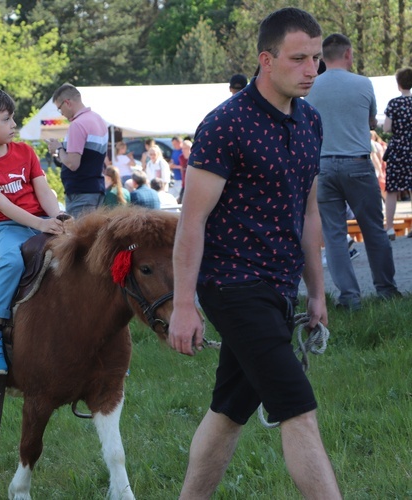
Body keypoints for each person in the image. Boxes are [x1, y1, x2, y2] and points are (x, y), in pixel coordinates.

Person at [168, 8, 341, 498]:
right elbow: (192, 221)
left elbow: (309, 214)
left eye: (316, 59)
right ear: (266, 60)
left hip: (279, 286)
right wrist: (184, 305)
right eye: (299, 59)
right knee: (297, 406)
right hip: (232, 284)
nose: (312, 70)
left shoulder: (311, 120)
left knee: (228, 410)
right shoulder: (226, 124)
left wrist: (316, 292)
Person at [0, 87, 63, 375]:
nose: (14, 124)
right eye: (6, 119)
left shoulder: (25, 152)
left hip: (41, 217)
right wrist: (40, 224)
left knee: (75, 254)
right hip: (7, 226)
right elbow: (3, 205)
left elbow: (43, 190)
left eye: (12, 118)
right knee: (13, 261)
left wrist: (57, 217)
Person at [305, 33, 400, 310]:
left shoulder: (311, 86)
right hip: (357, 163)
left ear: (322, 57)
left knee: (334, 235)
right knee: (374, 231)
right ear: (348, 54)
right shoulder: (363, 83)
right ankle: (385, 289)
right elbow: (371, 121)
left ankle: (349, 297)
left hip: (321, 167)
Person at [47, 83, 108, 217]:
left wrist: (58, 148)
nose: (61, 113)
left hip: (80, 193)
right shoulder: (98, 120)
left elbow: (72, 164)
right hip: (96, 190)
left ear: (67, 103)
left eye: (59, 108)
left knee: (79, 237)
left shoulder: (78, 124)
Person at [382, 67, 412, 238]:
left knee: (392, 189)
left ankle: (390, 227)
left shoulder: (394, 103)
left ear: (399, 84)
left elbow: (386, 127)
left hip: (398, 148)